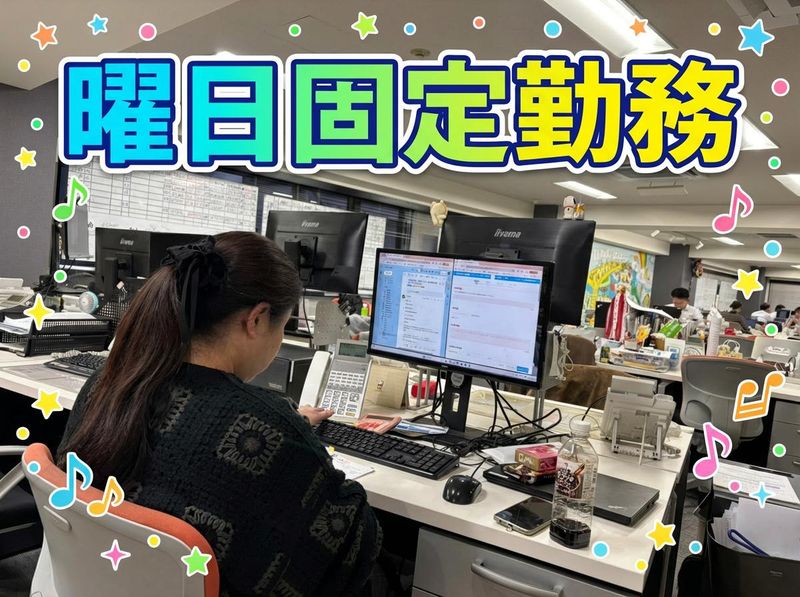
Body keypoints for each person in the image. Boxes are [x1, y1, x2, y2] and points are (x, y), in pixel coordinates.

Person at [57, 233, 381, 596]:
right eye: (282, 326)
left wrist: (290, 429)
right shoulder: (269, 429)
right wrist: (301, 442)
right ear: (257, 319)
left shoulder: (109, 383)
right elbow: (353, 540)